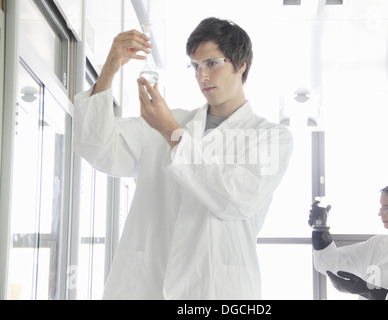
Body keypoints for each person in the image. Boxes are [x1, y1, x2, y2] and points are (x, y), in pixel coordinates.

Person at [74, 17, 293, 299]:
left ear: (241, 64)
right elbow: (98, 148)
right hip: (147, 285)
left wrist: (171, 133)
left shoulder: (272, 137)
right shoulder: (171, 120)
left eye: (212, 63)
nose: (202, 76)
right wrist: (109, 70)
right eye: (195, 66)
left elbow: (236, 197)